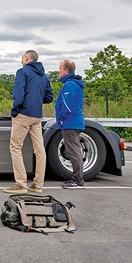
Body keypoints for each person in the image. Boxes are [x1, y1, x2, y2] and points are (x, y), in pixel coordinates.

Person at [5, 50, 54, 194]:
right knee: (39, 150)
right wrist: (36, 99)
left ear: (27, 58)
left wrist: (15, 110)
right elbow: (49, 97)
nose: (21, 60)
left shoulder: (22, 72)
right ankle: (38, 185)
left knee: (15, 147)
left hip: (23, 114)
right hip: (37, 116)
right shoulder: (44, 76)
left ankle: (20, 184)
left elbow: (18, 93)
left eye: (22, 58)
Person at [55, 60, 86, 189]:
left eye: (60, 69)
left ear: (67, 70)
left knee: (73, 152)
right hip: (74, 121)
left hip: (70, 122)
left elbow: (67, 104)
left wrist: (61, 117)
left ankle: (78, 180)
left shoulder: (69, 85)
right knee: (75, 151)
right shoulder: (74, 84)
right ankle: (77, 179)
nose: (59, 71)